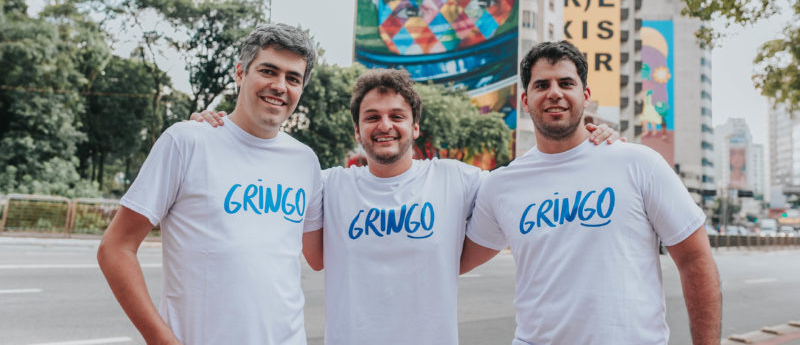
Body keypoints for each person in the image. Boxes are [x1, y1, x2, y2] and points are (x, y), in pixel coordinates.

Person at [193, 68, 621, 344]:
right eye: (372, 117)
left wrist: (597, 139)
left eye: (396, 116)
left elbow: (535, 181)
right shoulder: (328, 185)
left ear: (415, 126)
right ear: (358, 130)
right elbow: (256, 178)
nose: (385, 126)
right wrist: (217, 130)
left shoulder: (458, 179)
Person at [460, 40, 721, 344]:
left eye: (566, 83)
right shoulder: (501, 184)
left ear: (585, 95)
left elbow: (695, 258)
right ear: (525, 100)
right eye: (541, 84)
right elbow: (451, 259)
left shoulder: (637, 163)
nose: (554, 92)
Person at [97, 23, 323, 345]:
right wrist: (160, 339)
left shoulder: (305, 161)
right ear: (240, 74)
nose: (279, 86)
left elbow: (320, 256)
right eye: (268, 71)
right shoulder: (187, 141)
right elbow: (115, 248)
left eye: (293, 78)